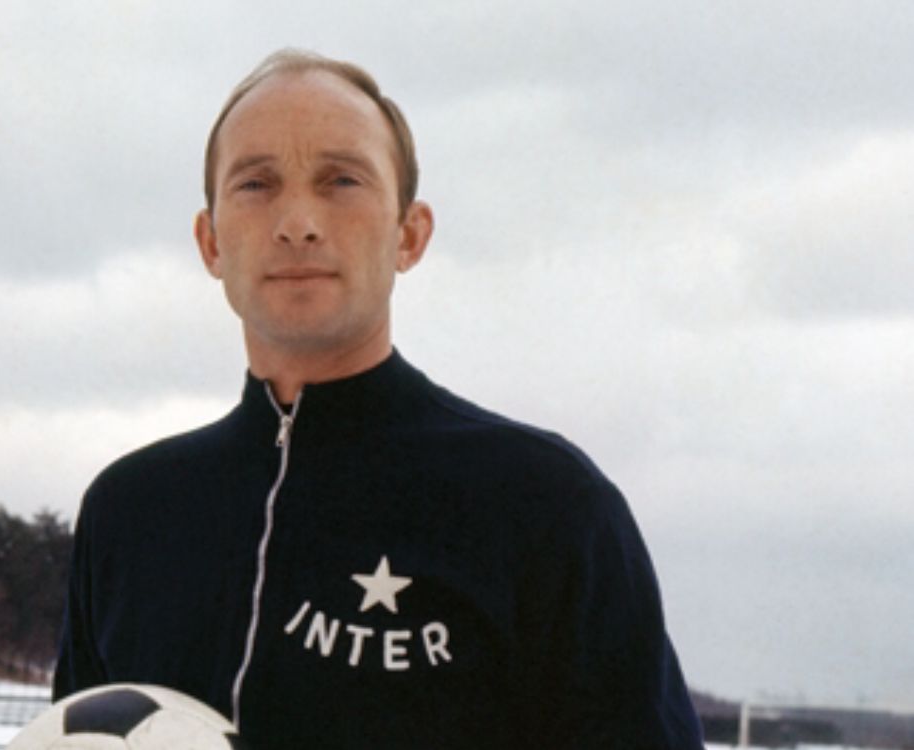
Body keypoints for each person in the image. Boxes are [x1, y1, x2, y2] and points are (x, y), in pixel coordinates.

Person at [53, 49, 704, 748]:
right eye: (256, 183)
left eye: (341, 180)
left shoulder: (546, 505)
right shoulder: (131, 510)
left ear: (409, 235)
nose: (297, 222)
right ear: (210, 243)